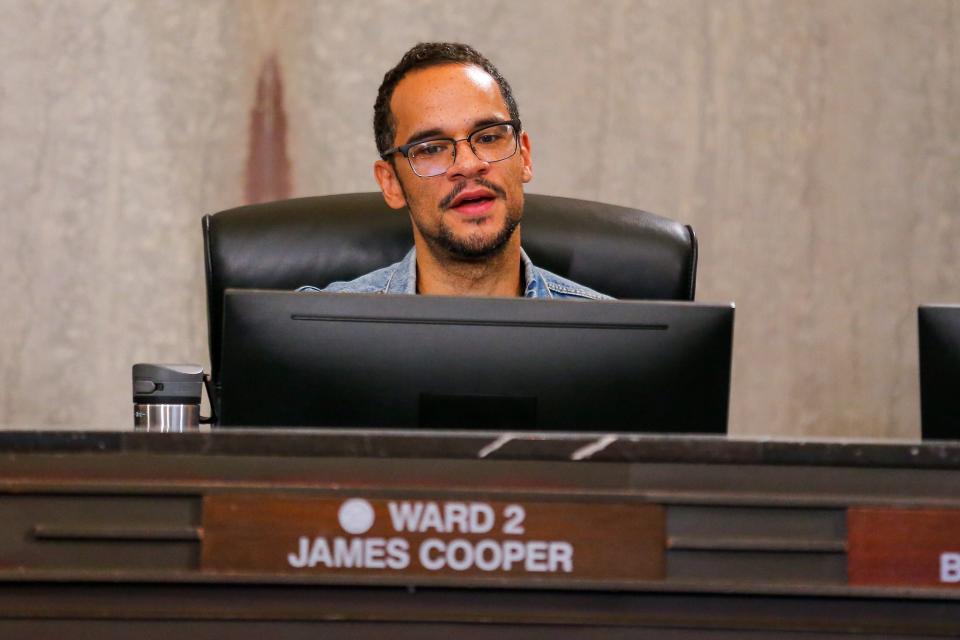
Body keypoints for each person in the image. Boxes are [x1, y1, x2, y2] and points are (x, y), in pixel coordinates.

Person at [301, 42, 610, 300]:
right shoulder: (319, 332)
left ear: (524, 155)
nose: (468, 164)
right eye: (431, 148)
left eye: (489, 137)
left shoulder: (609, 340)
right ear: (391, 183)